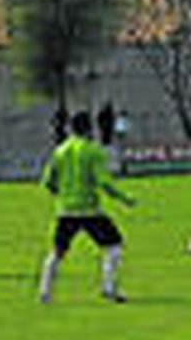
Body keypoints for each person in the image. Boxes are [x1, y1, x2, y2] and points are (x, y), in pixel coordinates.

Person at [39, 111, 135, 304]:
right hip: (90, 210)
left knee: (58, 251)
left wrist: (63, 194)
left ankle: (45, 291)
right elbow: (104, 182)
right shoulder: (93, 150)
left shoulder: (60, 150)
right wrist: (124, 198)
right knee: (113, 246)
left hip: (66, 210)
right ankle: (108, 287)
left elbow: (48, 181)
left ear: (70, 128)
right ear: (89, 129)